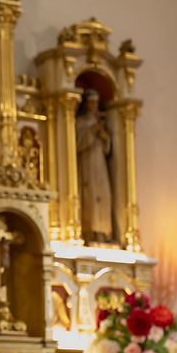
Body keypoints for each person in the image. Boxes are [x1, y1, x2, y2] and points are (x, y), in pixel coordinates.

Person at [75, 89, 113, 243]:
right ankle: (90, 231)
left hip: (100, 163)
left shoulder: (101, 121)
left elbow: (107, 148)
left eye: (97, 102)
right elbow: (77, 144)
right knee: (90, 195)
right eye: (91, 102)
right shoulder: (81, 121)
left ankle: (104, 231)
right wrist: (91, 131)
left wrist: (105, 137)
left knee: (104, 195)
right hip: (87, 161)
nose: (94, 105)